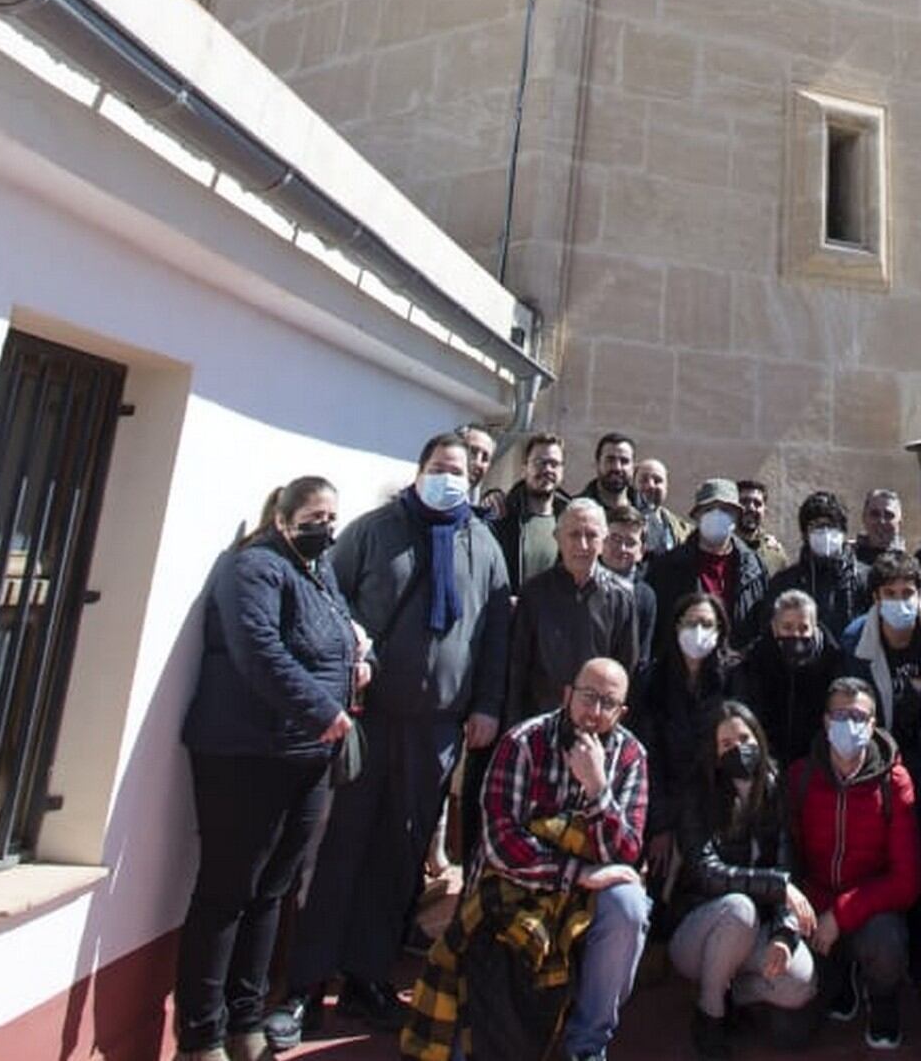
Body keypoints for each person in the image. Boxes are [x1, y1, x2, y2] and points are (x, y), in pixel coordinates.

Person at [269, 434, 512, 1047]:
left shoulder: (483, 544)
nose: (449, 478)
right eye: (438, 468)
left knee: (399, 857)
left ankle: (367, 977)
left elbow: (495, 637)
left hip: (437, 729)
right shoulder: (374, 531)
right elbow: (329, 596)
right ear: (419, 470)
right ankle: (303, 987)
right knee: (343, 848)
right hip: (369, 718)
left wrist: (485, 706)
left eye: (458, 471)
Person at [175, 478, 363, 1061]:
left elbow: (338, 631)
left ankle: (245, 1018)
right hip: (246, 753)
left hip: (307, 757)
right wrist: (321, 707)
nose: (325, 528)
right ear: (283, 518)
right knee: (228, 890)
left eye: (332, 516)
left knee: (272, 891)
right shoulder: (252, 568)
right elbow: (257, 647)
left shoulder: (320, 570)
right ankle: (201, 1033)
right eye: (313, 516)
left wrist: (361, 660)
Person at [431, 657, 650, 1061]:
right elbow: (500, 842)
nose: (594, 713)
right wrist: (577, 873)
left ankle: (586, 1046)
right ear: (568, 695)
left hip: (584, 891)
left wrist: (599, 787)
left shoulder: (631, 755)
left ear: (622, 712)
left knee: (630, 906)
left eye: (608, 703)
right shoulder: (522, 742)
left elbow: (627, 850)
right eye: (588, 697)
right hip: (513, 885)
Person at [668, 700, 818, 1057]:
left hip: (757, 929)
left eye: (744, 738)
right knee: (739, 908)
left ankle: (729, 991)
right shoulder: (698, 793)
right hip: (700, 928)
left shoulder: (776, 786)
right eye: (726, 745)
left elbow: (788, 867)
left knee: (800, 985)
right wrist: (777, 887)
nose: (738, 749)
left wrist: (784, 934)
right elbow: (706, 872)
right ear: (713, 753)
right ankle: (710, 1012)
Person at [789, 678, 921, 1050]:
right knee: (790, 1030)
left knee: (886, 940)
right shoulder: (801, 777)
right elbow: (792, 858)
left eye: (860, 716)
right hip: (815, 904)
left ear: (874, 723)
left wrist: (842, 914)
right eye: (841, 715)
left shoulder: (893, 783)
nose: (850, 724)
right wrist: (816, 910)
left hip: (869, 908)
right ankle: (839, 976)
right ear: (825, 721)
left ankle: (881, 998)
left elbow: (906, 881)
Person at [636, 592, 742, 893]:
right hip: (664, 809)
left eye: (707, 624)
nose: (698, 631)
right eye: (691, 622)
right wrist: (662, 824)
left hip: (714, 808)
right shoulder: (652, 679)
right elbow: (648, 756)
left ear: (720, 630)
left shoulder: (734, 677)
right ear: (675, 626)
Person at [505, 498, 640, 725]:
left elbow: (625, 670)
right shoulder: (535, 593)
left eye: (591, 535)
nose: (583, 545)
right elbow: (517, 668)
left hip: (595, 723)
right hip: (540, 721)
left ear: (604, 540)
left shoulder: (622, 597)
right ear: (558, 538)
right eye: (574, 535)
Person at [842, 549, 921, 782]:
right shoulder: (855, 639)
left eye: (907, 593)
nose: (900, 601)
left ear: (920, 595)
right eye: (890, 594)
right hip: (881, 751)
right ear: (876, 598)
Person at [647, 478, 770, 637]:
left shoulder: (755, 568)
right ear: (697, 516)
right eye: (709, 510)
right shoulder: (668, 567)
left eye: (726, 510)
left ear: (737, 517)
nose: (717, 516)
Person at [740, 588, 848, 765]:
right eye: (787, 627)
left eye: (803, 628)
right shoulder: (754, 661)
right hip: (767, 762)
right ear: (775, 627)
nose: (795, 635)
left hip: (818, 765)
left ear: (814, 628)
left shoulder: (833, 662)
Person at [766, 488, 871, 644]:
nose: (826, 533)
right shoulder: (785, 583)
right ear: (804, 535)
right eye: (817, 527)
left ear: (843, 532)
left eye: (831, 525)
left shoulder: (865, 578)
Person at [483, 431, 569, 594]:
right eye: (539, 462)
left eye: (554, 464)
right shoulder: (501, 515)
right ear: (524, 469)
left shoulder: (571, 521)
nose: (547, 469)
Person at [598, 503, 657, 667]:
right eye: (615, 539)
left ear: (642, 551)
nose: (621, 548)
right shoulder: (580, 581)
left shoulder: (646, 596)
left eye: (630, 542)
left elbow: (642, 657)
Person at [636, 455, 692, 554]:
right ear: (633, 484)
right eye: (644, 480)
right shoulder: (617, 520)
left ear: (666, 487)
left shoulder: (683, 529)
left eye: (657, 481)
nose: (651, 485)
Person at [735, 478, 790, 575]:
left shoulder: (774, 554)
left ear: (765, 510)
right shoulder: (719, 548)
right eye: (744, 501)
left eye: (757, 504)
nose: (751, 508)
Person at [855, 487, 905, 566]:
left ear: (899, 522)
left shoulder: (910, 568)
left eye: (888, 515)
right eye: (875, 514)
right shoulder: (848, 564)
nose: (881, 521)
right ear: (864, 518)